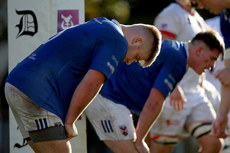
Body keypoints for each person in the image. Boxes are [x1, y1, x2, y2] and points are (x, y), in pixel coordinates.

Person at [4, 17, 162, 153]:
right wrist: (69, 122)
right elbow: (92, 83)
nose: (129, 62)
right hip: (36, 92)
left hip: (16, 83)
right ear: (137, 40)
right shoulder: (117, 40)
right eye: (136, 57)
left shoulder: (103, 24)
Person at [84, 30, 225, 153]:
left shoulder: (177, 53)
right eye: (212, 59)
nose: (212, 66)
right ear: (199, 50)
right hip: (107, 98)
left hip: (114, 100)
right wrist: (140, 140)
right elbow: (154, 103)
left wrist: (140, 138)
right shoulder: (177, 59)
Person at [150, 0, 224, 152]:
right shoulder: (170, 14)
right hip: (174, 93)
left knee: (214, 144)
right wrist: (172, 86)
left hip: (196, 94)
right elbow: (160, 52)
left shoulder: (197, 18)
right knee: (161, 149)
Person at [193, 0, 230, 138]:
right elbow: (227, 74)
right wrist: (222, 114)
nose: (200, 6)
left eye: (200, 0)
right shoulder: (225, 18)